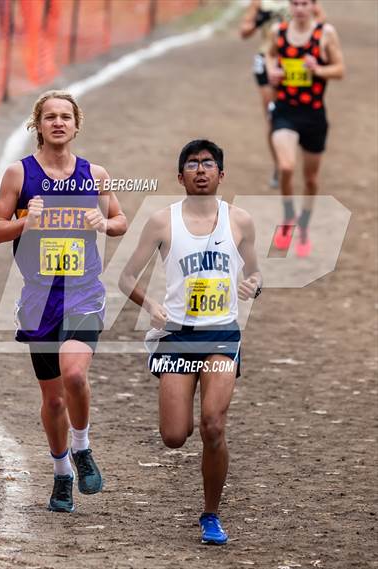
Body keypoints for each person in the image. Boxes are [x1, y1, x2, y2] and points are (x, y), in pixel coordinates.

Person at [0, 90, 127, 513]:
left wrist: (103, 221)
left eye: (65, 116)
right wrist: (28, 220)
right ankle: (62, 472)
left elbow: (121, 221)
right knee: (52, 400)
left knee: (75, 375)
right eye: (50, 117)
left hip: (84, 292)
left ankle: (82, 447)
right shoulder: (19, 175)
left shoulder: (95, 174)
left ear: (76, 124)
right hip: (39, 299)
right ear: (39, 125)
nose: (58, 123)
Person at [119, 140, 262, 545]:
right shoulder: (163, 222)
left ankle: (211, 514)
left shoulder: (241, 221)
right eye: (193, 165)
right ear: (179, 176)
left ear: (222, 174)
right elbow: (126, 277)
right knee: (175, 436)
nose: (201, 170)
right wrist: (150, 306)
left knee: (213, 425)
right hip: (178, 337)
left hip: (221, 335)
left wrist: (253, 284)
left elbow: (254, 273)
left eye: (209, 164)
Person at [265, 0, 344, 256]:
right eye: (295, 3)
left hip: (313, 116)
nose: (299, 8)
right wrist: (272, 71)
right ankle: (288, 218)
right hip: (285, 112)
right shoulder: (278, 31)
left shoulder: (325, 33)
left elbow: (340, 69)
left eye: (305, 3)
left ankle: (305, 227)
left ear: (314, 5)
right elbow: (269, 54)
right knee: (286, 167)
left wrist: (318, 68)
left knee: (310, 180)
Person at [240, 0, 325, 189]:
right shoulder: (260, 2)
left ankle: (301, 153)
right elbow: (244, 32)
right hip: (266, 60)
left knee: (298, 109)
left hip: (295, 58)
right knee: (273, 116)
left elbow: (321, 19)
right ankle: (280, 165)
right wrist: (258, 21)